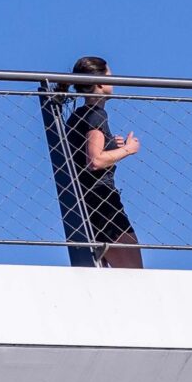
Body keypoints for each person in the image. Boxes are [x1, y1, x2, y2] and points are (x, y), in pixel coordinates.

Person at [62, 56, 141, 268]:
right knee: (134, 275)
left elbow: (85, 152)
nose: (113, 81)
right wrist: (128, 149)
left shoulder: (79, 116)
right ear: (99, 82)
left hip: (87, 204)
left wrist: (111, 145)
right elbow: (94, 160)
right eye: (110, 76)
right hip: (103, 203)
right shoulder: (96, 114)